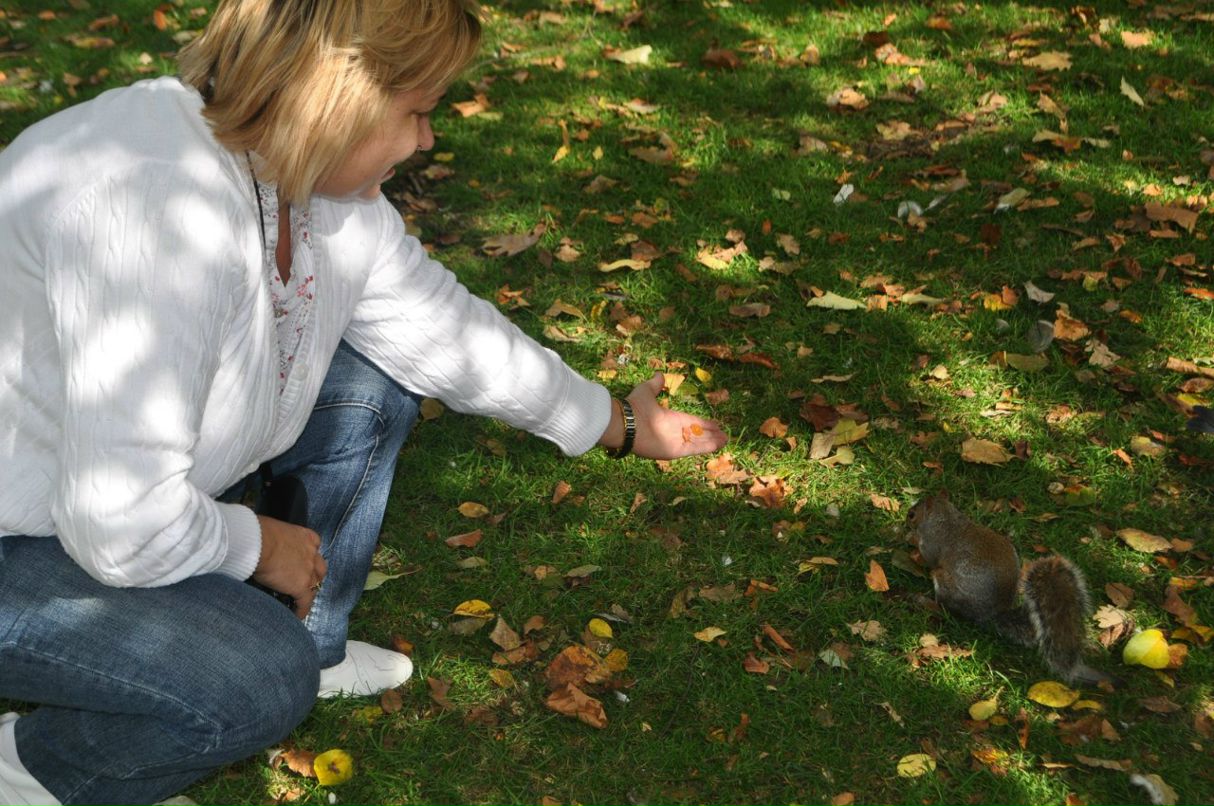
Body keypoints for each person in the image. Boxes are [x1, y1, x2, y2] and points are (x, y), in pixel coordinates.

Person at [0, 0, 728, 803]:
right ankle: (30, 772)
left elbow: (441, 329)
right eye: (417, 111)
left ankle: (303, 639)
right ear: (336, 100)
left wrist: (612, 422)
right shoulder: (154, 211)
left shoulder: (298, 176)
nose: (428, 139)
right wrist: (256, 545)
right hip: (34, 530)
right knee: (256, 682)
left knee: (372, 382)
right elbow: (120, 526)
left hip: (96, 496)